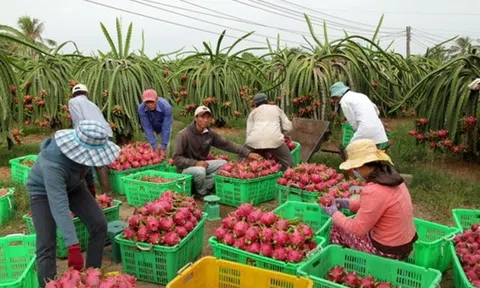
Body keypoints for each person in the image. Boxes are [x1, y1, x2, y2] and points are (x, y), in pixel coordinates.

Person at [26, 120, 120, 287]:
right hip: (43, 193)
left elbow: (88, 163)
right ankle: (49, 284)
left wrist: (90, 188)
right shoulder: (53, 162)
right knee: (46, 244)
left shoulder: (84, 149)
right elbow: (59, 205)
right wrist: (73, 246)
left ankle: (92, 276)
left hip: (75, 185)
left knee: (99, 224)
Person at [320, 139, 418, 260]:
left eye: (354, 167)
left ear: (361, 165)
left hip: (388, 251)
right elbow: (375, 205)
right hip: (405, 245)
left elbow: (358, 229)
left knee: (338, 228)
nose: (354, 171)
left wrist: (334, 214)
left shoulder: (374, 189)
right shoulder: (391, 176)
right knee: (349, 222)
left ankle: (340, 262)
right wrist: (348, 204)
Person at [174, 105, 262, 196]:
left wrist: (248, 153)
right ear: (196, 118)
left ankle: (199, 185)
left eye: (208, 118)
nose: (205, 120)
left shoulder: (209, 133)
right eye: (202, 117)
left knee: (224, 164)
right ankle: (202, 193)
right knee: (200, 171)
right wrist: (195, 163)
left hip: (202, 165)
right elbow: (176, 159)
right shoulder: (183, 135)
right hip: (185, 169)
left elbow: (228, 144)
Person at [68, 83, 113, 194]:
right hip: (105, 132)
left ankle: (88, 193)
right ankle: (107, 194)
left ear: (73, 94)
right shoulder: (92, 104)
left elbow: (78, 119)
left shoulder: (73, 102)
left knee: (84, 163)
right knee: (101, 163)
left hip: (91, 133)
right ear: (86, 93)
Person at [243, 93, 294, 170]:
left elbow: (249, 132)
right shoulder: (276, 108)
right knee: (288, 162)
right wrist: (281, 132)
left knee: (241, 155)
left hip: (254, 140)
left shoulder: (253, 113)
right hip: (274, 140)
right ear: (267, 101)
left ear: (255, 103)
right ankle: (281, 174)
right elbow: (288, 127)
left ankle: (243, 171)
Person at [330, 82, 388, 148]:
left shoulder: (344, 101)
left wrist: (356, 132)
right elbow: (376, 110)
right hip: (378, 129)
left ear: (338, 95)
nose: (335, 101)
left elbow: (352, 121)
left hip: (364, 129)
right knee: (375, 153)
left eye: (335, 98)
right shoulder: (361, 95)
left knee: (351, 148)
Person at [137, 89, 173, 158]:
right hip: (151, 125)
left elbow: (166, 127)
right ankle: (154, 163)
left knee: (165, 147)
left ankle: (165, 162)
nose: (150, 104)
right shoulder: (141, 109)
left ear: (156, 99)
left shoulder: (166, 107)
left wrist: (163, 147)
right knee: (152, 149)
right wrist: (154, 146)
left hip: (164, 124)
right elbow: (147, 127)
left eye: (152, 101)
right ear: (143, 101)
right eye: (147, 102)